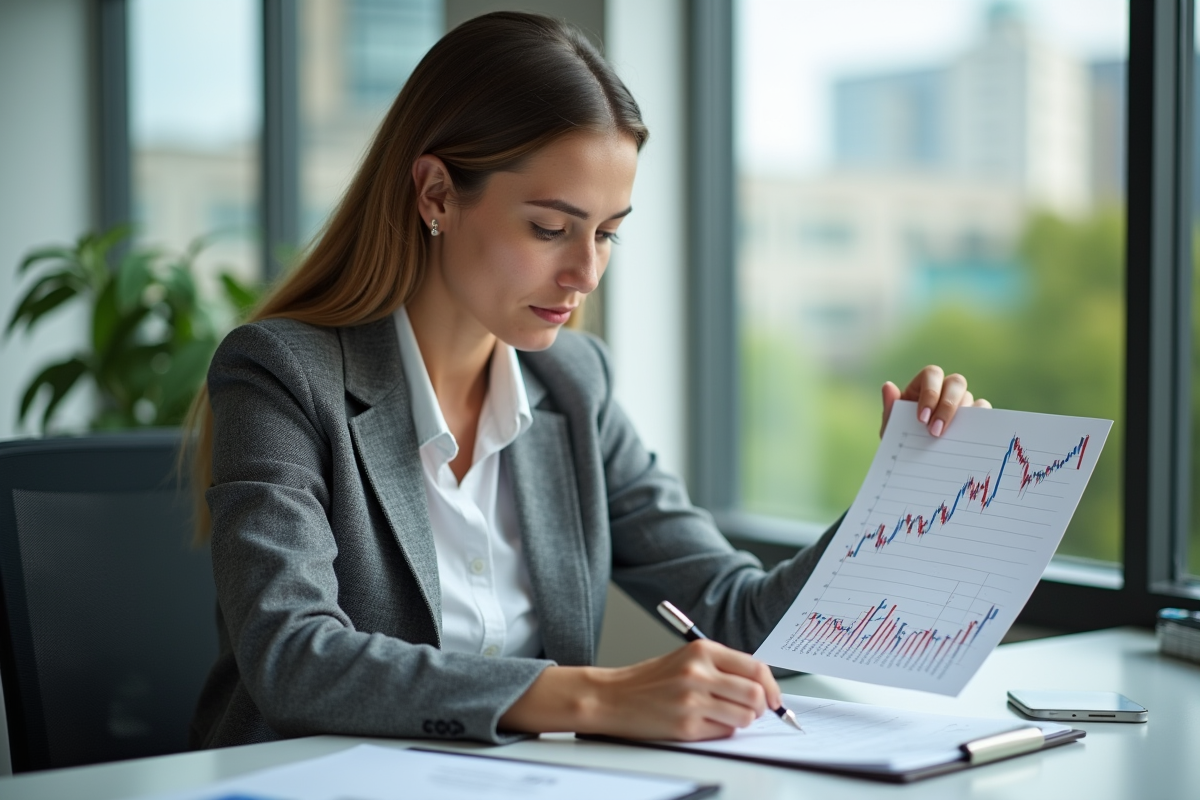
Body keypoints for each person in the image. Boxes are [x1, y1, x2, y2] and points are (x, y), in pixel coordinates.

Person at [187, 11, 989, 749]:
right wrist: (597, 697)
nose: (585, 273)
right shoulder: (282, 374)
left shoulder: (574, 385)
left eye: (607, 234)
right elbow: (292, 657)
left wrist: (900, 495)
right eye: (550, 228)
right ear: (436, 194)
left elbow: (740, 616)